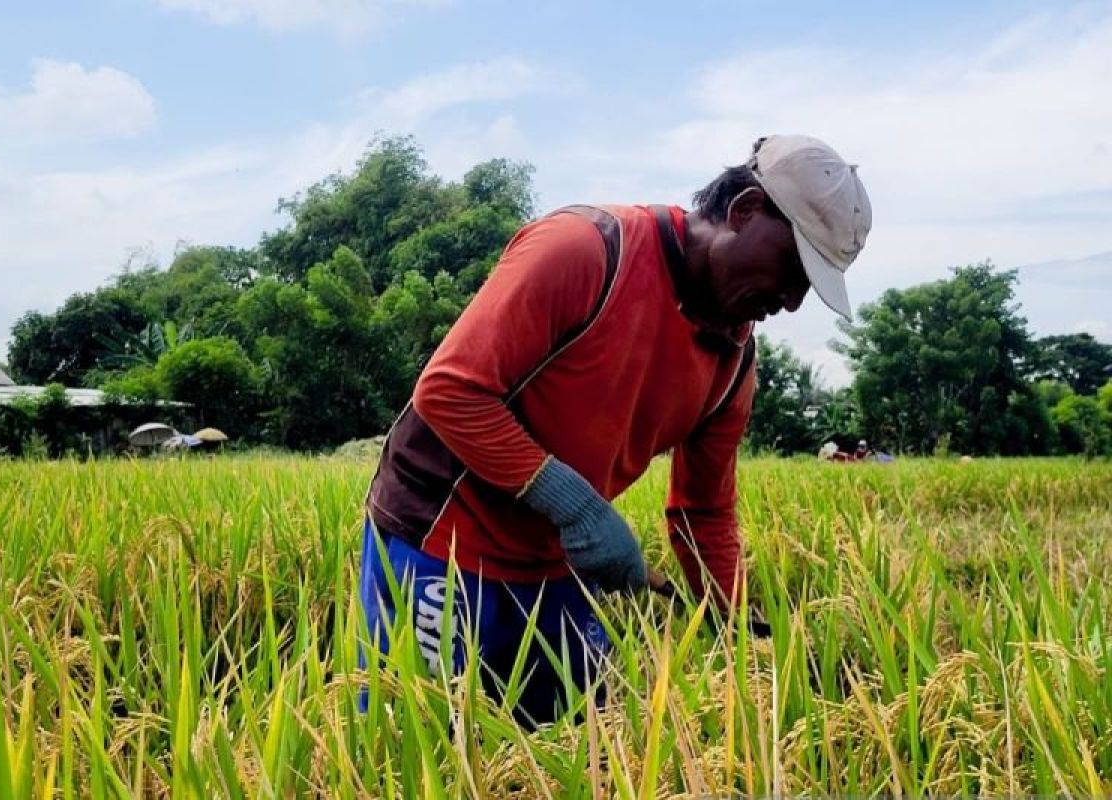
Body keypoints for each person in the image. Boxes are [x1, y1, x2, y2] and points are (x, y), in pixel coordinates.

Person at [359, 134, 872, 726]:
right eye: (794, 269)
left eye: (808, 287)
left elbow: (703, 513)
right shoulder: (586, 251)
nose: (790, 301)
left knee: (591, 740)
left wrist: (732, 623)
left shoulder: (732, 360)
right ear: (745, 212)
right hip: (440, 542)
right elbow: (450, 392)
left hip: (553, 564)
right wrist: (575, 506)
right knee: (423, 746)